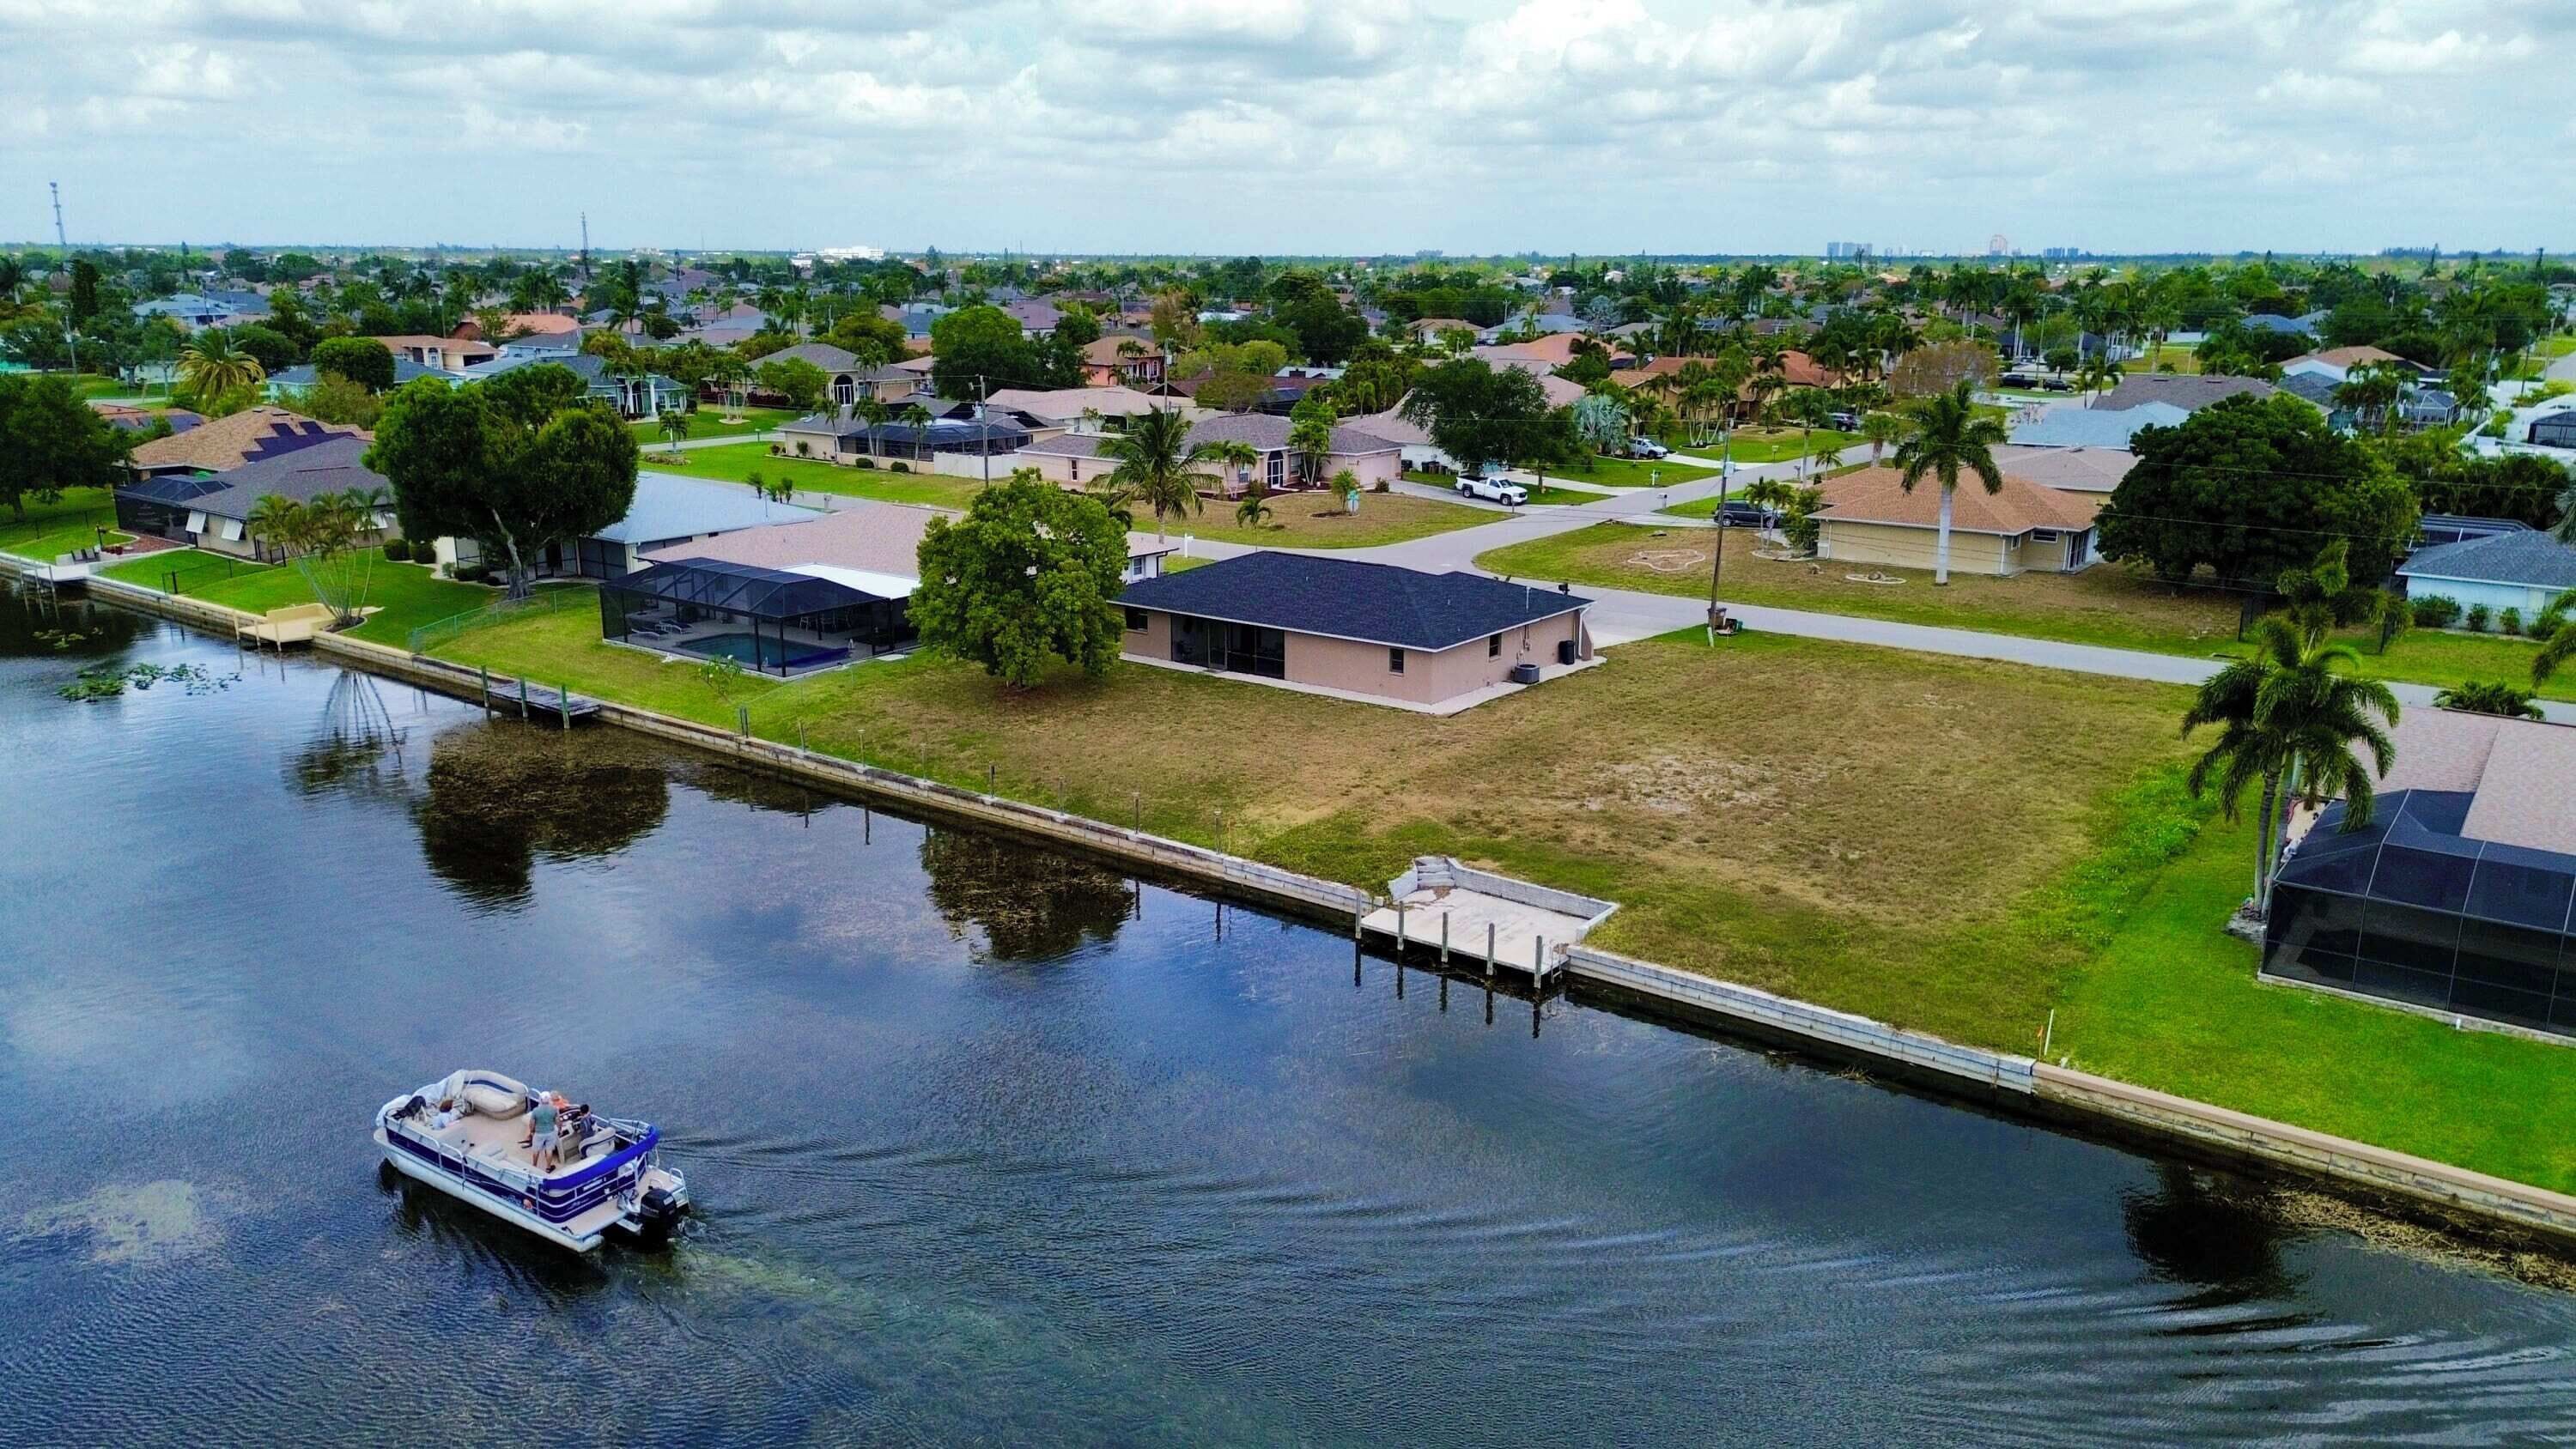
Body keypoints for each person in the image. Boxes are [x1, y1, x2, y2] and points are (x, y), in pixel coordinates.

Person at [527, 1094, 560, 1173]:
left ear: (541, 1100)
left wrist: (531, 1131)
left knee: (536, 1150)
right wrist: (560, 1129)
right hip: (551, 1132)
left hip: (539, 1133)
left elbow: (532, 1123)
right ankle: (548, 1168)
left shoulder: (536, 1110)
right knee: (549, 1150)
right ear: (549, 1100)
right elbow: (558, 1121)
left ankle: (534, 1166)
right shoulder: (554, 1109)